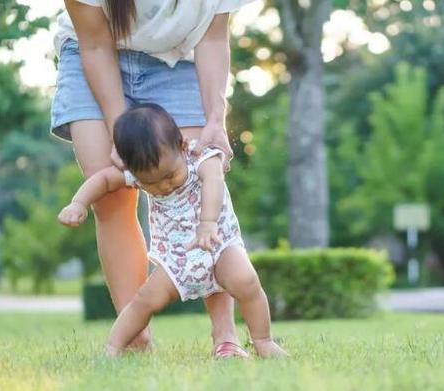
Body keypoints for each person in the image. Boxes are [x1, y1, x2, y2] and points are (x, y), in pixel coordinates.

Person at [51, 0, 254, 357]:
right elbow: (95, 43)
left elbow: (213, 37)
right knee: (110, 195)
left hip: (177, 60)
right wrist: (120, 130)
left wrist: (215, 121)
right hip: (95, 54)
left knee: (196, 189)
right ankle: (134, 336)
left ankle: (225, 336)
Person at [58, 104, 288, 358]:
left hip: (217, 245)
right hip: (176, 258)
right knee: (143, 300)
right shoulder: (140, 173)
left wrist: (208, 222)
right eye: (150, 183)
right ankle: (112, 349)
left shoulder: (200, 157)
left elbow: (214, 180)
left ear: (181, 146)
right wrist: (78, 203)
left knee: (247, 281)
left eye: (169, 175)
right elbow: (103, 180)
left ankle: (263, 341)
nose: (163, 186)